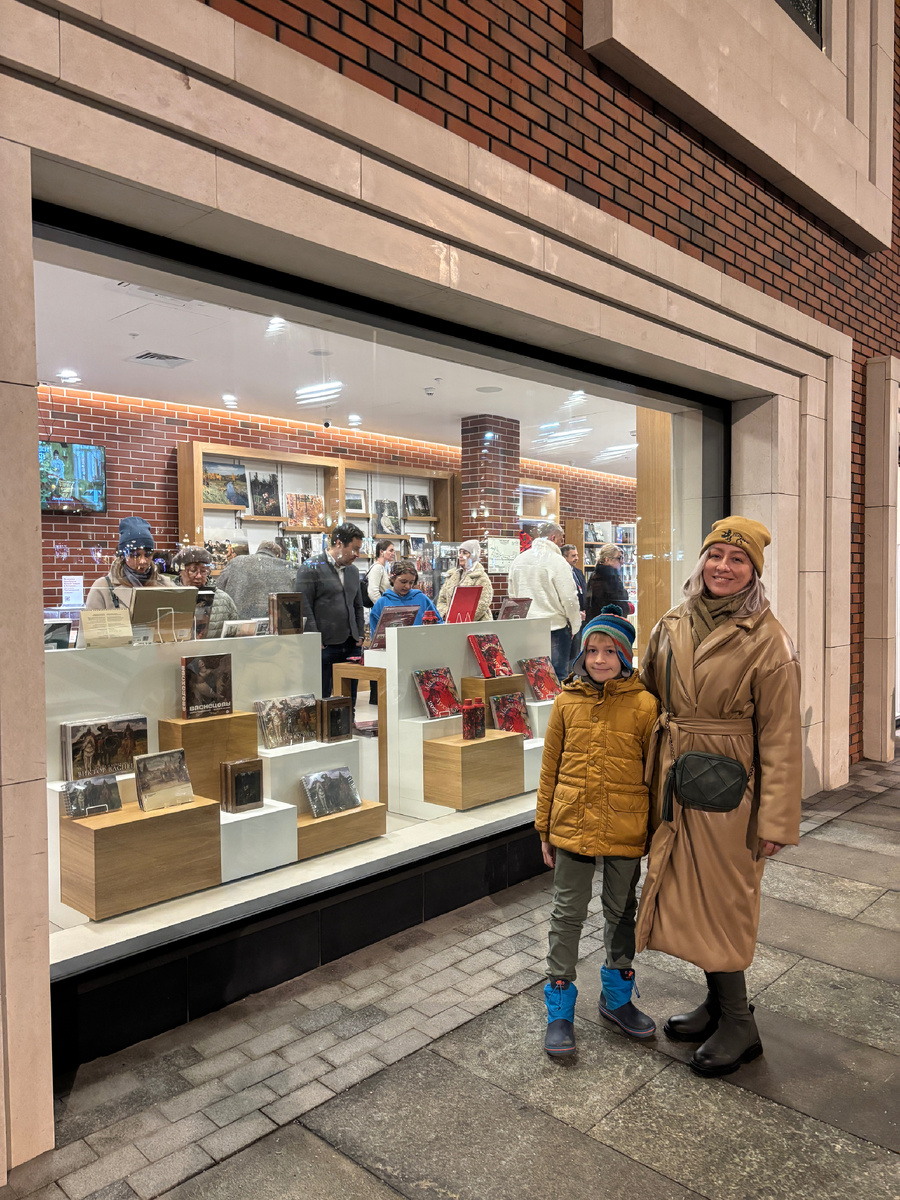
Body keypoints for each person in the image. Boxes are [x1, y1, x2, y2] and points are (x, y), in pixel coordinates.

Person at [635, 516, 801, 1078]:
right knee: (688, 892)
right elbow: (647, 691)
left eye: (737, 560)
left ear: (753, 570)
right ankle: (717, 1004)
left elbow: (780, 735)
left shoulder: (769, 638)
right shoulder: (672, 622)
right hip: (676, 778)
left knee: (726, 897)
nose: (722, 568)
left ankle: (739, 1023)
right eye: (715, 556)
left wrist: (776, 818)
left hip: (733, 790)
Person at [536, 605, 659, 1056]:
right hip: (570, 826)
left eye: (610, 651)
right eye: (592, 650)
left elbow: (655, 772)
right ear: (581, 654)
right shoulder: (567, 701)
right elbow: (550, 767)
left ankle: (617, 999)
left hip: (625, 827)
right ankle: (560, 1011)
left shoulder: (646, 705)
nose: (600, 659)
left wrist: (655, 830)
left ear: (626, 656)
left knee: (622, 912)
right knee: (566, 914)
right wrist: (544, 826)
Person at [295, 523, 366, 697]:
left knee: (350, 696)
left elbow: (357, 604)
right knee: (321, 695)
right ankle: (323, 725)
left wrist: (360, 633)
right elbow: (303, 605)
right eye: (354, 549)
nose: (357, 554)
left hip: (351, 644)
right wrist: (314, 637)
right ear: (339, 543)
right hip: (324, 644)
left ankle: (349, 723)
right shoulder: (311, 567)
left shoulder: (353, 571)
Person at [507, 522, 580, 679]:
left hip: (528, 627)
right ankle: (557, 704)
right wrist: (575, 625)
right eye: (561, 539)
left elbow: (513, 596)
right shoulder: (558, 562)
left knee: (532, 677)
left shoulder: (519, 560)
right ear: (553, 537)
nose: (562, 543)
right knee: (559, 676)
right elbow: (569, 598)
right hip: (555, 627)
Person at [84, 517, 174, 609]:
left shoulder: (167, 585)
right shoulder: (103, 588)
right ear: (123, 555)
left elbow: (182, 620)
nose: (142, 561)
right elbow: (91, 623)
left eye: (147, 555)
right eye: (135, 555)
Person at [217, 541, 296, 620]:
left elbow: (218, 588)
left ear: (258, 550)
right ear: (278, 555)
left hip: (238, 621)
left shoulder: (236, 562)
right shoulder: (287, 567)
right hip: (274, 622)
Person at [172, 546, 238, 638]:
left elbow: (234, 634)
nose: (198, 576)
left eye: (203, 571)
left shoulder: (224, 599)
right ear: (180, 571)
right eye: (193, 570)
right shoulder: (169, 597)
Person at [369, 559, 442, 636]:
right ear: (393, 579)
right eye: (403, 582)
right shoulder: (381, 603)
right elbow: (375, 636)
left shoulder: (422, 599)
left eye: (411, 583)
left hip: (421, 645)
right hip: (392, 647)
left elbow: (439, 624)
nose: (407, 586)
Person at [436, 540, 494, 622]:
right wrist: (447, 614)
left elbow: (482, 604)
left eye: (465, 553)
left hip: (476, 626)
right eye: (460, 552)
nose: (460, 556)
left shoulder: (481, 577)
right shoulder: (452, 575)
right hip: (451, 624)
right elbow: (442, 600)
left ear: (473, 555)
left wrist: (462, 618)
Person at [584, 543, 633, 622]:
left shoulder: (604, 575)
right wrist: (627, 608)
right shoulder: (605, 578)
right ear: (607, 559)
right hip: (607, 625)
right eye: (619, 558)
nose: (622, 562)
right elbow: (610, 605)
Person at [562, 544, 586, 669]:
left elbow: (584, 591)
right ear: (564, 557)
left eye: (577, 555)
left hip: (582, 616)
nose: (576, 558)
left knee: (578, 649)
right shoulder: (563, 574)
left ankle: (576, 674)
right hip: (569, 619)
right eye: (573, 556)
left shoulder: (578, 572)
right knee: (569, 653)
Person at [366, 540, 396, 605]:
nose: (393, 553)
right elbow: (373, 592)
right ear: (381, 552)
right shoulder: (377, 568)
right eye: (391, 551)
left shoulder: (383, 568)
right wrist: (383, 607)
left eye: (394, 551)